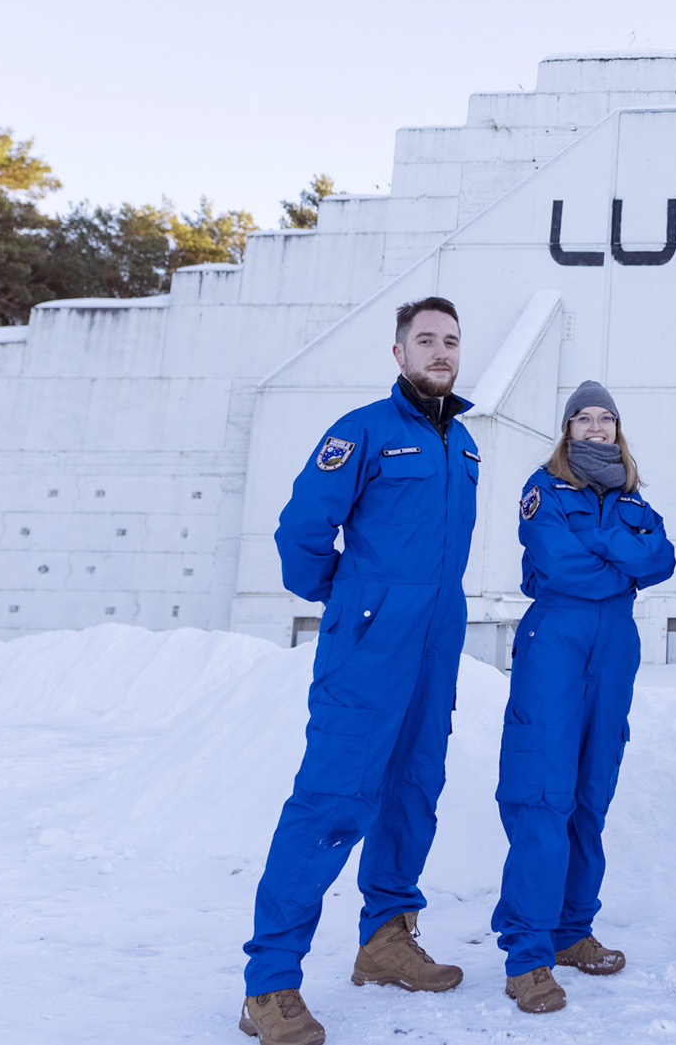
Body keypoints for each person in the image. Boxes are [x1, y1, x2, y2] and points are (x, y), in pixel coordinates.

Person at [241, 297, 478, 1045]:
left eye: (450, 342)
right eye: (426, 340)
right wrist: (349, 595)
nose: (440, 352)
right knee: (333, 799)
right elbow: (300, 531)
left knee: (414, 790)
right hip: (370, 643)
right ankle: (269, 983)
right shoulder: (363, 431)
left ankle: (386, 938)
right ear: (400, 352)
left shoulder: (463, 441)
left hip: (435, 644)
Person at [493, 380, 676, 1014]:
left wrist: (603, 545)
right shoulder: (543, 490)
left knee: (591, 792)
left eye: (606, 419)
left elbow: (663, 561)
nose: (595, 427)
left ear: (617, 429)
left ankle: (571, 931)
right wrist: (619, 558)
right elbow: (563, 565)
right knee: (543, 791)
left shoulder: (635, 501)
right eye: (583, 418)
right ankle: (528, 953)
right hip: (558, 639)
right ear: (567, 429)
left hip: (614, 650)